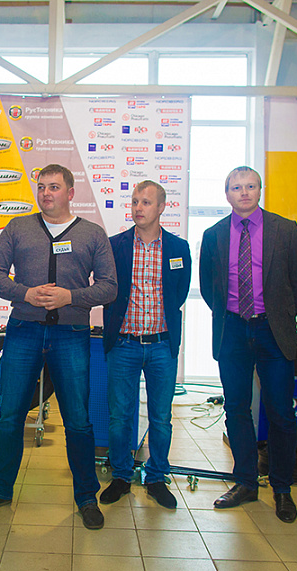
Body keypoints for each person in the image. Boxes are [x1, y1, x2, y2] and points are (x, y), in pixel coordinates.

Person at [0, 164, 117, 529]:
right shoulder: (18, 228)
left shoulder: (92, 234)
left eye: (54, 187)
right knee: (10, 417)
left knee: (78, 421)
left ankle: (86, 496)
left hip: (71, 334)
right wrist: (25, 293)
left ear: (70, 192)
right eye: (41, 187)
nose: (46, 193)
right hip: (24, 331)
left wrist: (71, 296)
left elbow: (110, 287)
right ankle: (0, 489)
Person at [199, 166, 297, 523]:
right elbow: (208, 286)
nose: (244, 192)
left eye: (250, 186)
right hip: (232, 328)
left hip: (272, 329)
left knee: (280, 412)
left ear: (260, 190)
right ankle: (246, 481)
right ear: (227, 194)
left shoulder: (285, 230)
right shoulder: (214, 234)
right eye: (236, 187)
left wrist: (278, 315)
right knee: (236, 408)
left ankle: (282, 487)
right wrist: (232, 315)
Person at [100, 180, 191, 509]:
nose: (138, 207)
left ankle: (156, 477)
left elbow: (179, 293)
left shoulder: (178, 248)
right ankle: (121, 476)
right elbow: (107, 289)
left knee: (161, 417)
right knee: (119, 417)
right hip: (124, 344)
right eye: (135, 201)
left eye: (146, 202)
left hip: (161, 345)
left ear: (162, 207)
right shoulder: (115, 246)